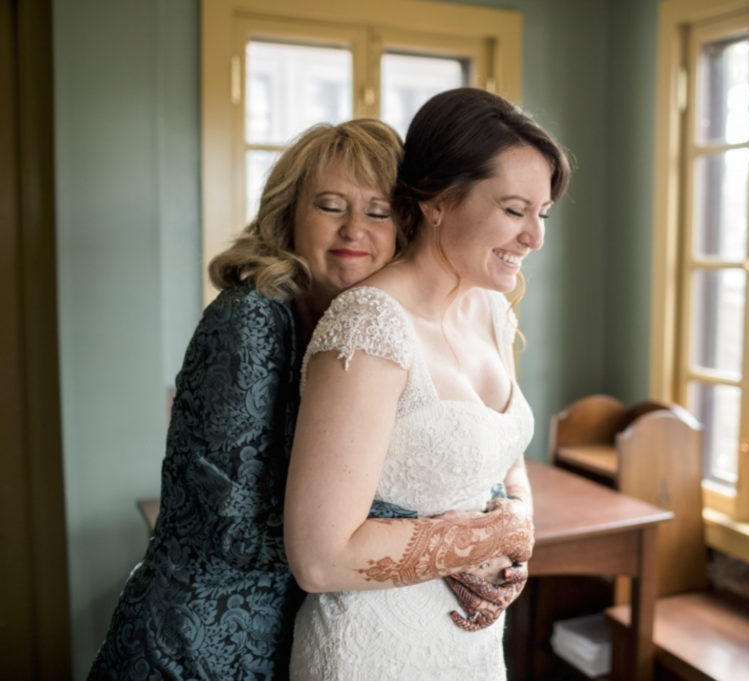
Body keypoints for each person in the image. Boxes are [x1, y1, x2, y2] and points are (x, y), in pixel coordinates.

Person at [87, 117, 522, 681]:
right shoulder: (249, 318)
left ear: (406, 227)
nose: (353, 230)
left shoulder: (378, 328)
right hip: (204, 645)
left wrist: (489, 517)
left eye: (377, 211)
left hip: (308, 630)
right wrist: (453, 537)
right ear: (289, 214)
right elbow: (237, 526)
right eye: (329, 205)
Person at [285, 87, 572, 680]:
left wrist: (515, 537)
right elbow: (318, 557)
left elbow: (507, 462)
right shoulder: (369, 325)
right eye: (515, 211)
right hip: (372, 649)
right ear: (439, 200)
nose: (535, 238)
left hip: (470, 645)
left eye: (541, 215)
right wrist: (493, 535)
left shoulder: (492, 311)